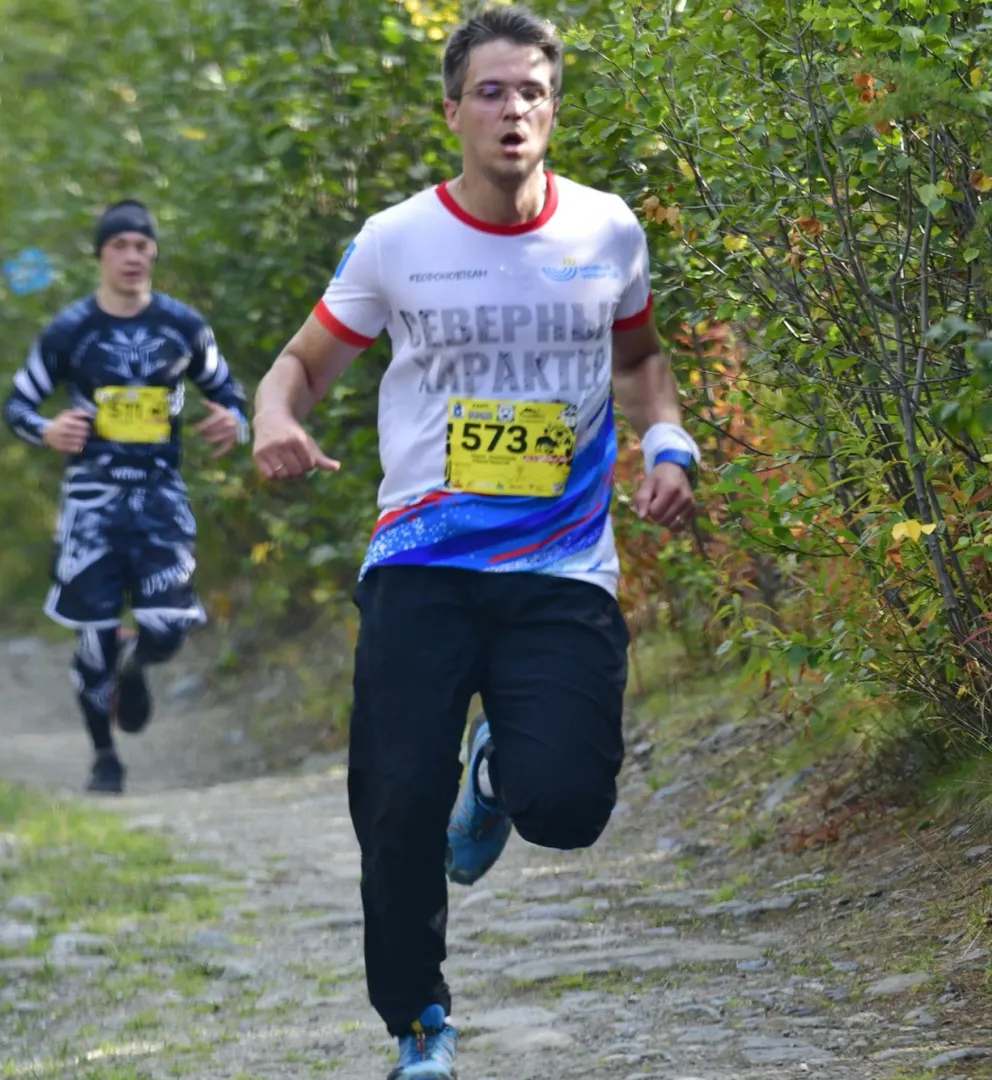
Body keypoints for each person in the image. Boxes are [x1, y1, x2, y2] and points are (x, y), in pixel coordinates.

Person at [248, 7, 701, 1077]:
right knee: (395, 804)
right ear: (452, 108)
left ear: (554, 108)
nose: (514, 109)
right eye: (491, 91)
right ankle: (419, 1023)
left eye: (533, 90)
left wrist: (667, 445)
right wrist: (278, 419)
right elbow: (300, 365)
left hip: (562, 565)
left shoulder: (606, 231)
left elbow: (639, 363)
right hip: (422, 563)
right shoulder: (400, 239)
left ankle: (495, 780)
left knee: (571, 808)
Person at [2, 199, 250, 794]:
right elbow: (16, 405)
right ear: (101, 256)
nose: (134, 256)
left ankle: (136, 664)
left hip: (162, 498)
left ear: (154, 253)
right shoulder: (70, 331)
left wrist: (234, 421)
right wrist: (48, 430)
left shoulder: (182, 326)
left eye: (143, 245)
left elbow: (229, 392)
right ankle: (104, 758)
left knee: (168, 625)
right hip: (91, 504)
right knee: (91, 637)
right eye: (121, 246)